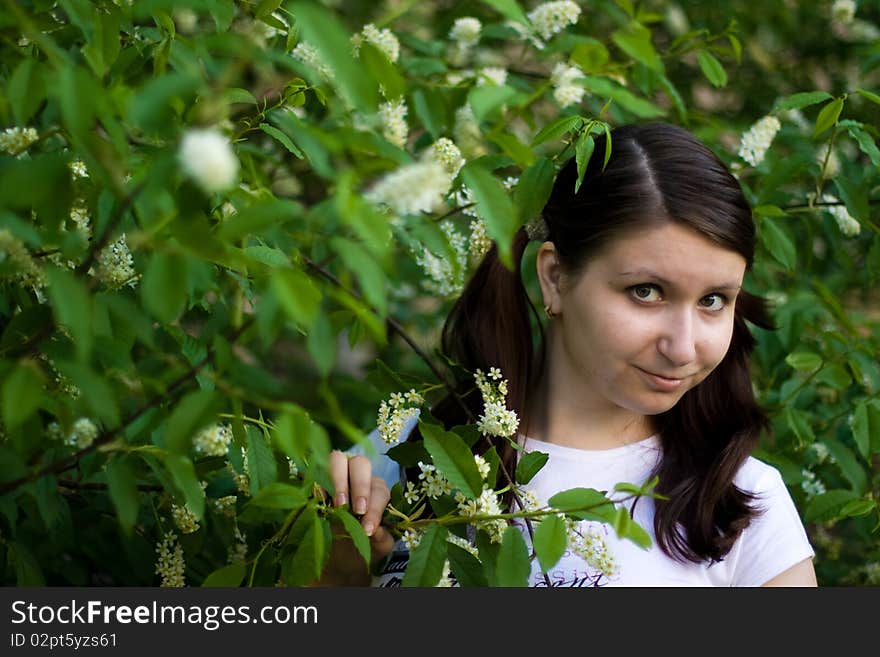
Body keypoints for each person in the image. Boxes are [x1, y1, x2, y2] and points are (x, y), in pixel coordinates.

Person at [323, 122, 817, 587]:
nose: (683, 346)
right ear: (554, 277)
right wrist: (342, 569)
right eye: (646, 291)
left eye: (713, 300)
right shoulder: (411, 453)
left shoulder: (741, 504)